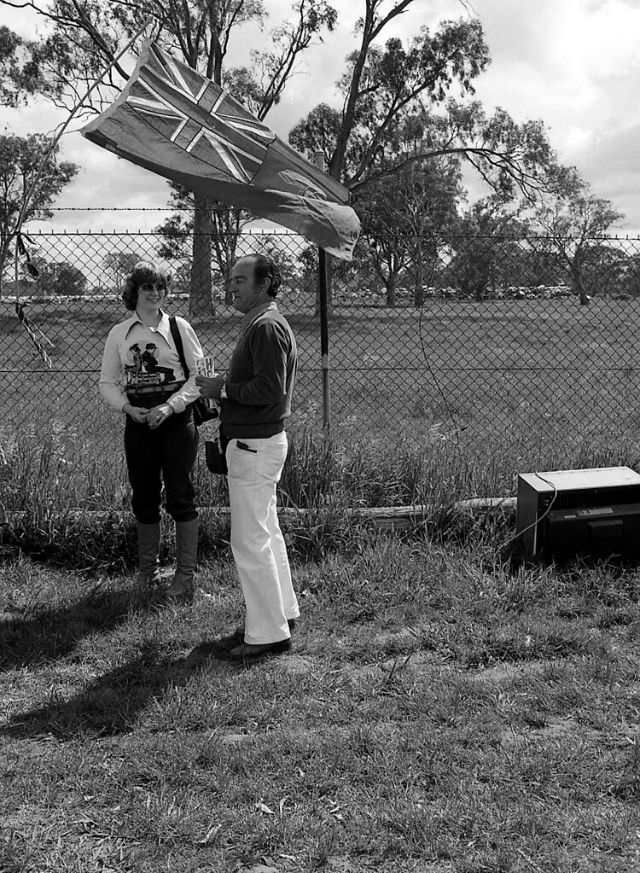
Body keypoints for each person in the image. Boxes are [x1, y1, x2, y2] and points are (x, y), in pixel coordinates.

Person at [196, 253, 299, 660]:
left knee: (249, 540)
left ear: (265, 282)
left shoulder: (267, 326)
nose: (231, 286)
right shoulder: (263, 323)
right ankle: (282, 612)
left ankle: (267, 634)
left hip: (255, 446)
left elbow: (271, 391)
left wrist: (222, 390)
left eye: (240, 280)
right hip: (258, 443)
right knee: (266, 532)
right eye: (231, 279)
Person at [99, 260, 206, 601]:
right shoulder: (119, 333)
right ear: (135, 292)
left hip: (176, 420)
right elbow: (108, 382)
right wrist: (129, 409)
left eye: (160, 287)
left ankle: (185, 575)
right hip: (139, 422)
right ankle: (149, 571)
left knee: (180, 492)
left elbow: (198, 377)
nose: (155, 293)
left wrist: (169, 407)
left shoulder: (179, 327)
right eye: (148, 287)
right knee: (143, 494)